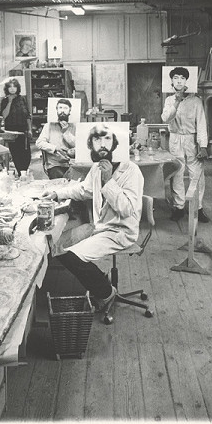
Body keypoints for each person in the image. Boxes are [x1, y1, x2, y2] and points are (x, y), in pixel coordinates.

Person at [41, 122, 144, 311]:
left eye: (107, 140)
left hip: (119, 230)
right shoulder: (98, 166)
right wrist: (57, 194)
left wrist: (108, 180)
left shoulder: (131, 171)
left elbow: (127, 210)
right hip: (99, 226)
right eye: (97, 140)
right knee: (56, 245)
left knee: (73, 257)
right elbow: (84, 190)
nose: (102, 146)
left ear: (116, 144)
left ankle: (106, 293)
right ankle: (99, 280)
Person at [161, 66, 209, 223]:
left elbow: (201, 124)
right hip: (175, 139)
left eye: (182, 78)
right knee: (177, 173)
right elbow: (165, 118)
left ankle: (198, 207)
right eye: (176, 78)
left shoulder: (196, 101)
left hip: (191, 139)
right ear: (171, 81)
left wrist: (203, 146)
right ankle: (179, 207)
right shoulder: (169, 100)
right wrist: (177, 101)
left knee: (197, 174)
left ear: (187, 81)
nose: (179, 81)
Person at [36, 98, 76, 179]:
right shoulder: (49, 126)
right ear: (56, 110)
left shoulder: (74, 126)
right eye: (60, 108)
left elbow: (79, 144)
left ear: (70, 110)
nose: (62, 111)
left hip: (72, 163)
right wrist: (54, 148)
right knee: (60, 179)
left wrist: (66, 133)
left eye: (65, 108)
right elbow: (39, 143)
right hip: (55, 164)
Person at [0, 78, 32, 174]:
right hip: (11, 131)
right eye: (10, 87)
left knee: (27, 154)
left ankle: (24, 171)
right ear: (7, 89)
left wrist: (30, 129)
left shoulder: (22, 99)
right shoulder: (4, 100)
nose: (12, 89)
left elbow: (27, 115)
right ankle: (21, 173)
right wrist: (9, 102)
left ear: (18, 88)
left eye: (14, 86)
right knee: (16, 154)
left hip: (23, 131)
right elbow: (4, 115)